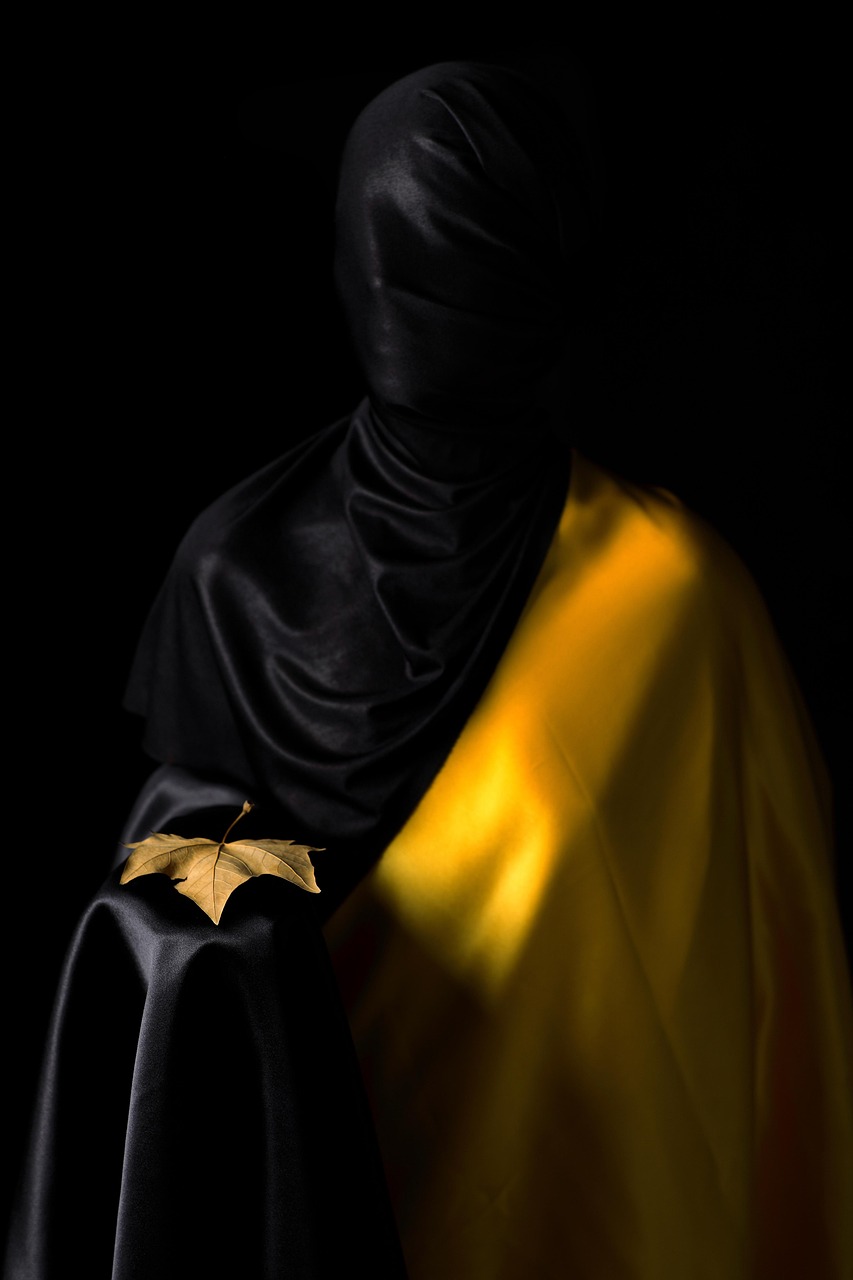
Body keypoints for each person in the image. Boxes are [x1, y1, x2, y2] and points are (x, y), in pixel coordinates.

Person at [6, 55, 853, 1279]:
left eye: (456, 257)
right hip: (306, 1220)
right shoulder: (234, 573)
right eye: (398, 248)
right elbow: (164, 935)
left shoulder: (672, 601)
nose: (413, 293)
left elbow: (764, 1003)